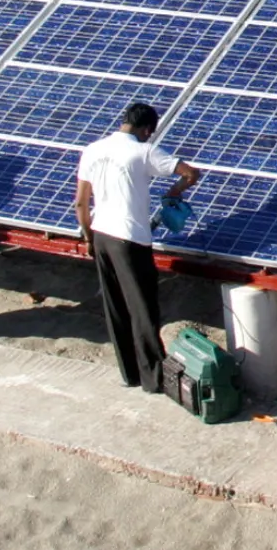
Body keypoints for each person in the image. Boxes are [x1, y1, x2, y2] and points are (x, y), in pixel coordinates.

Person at [74, 102, 201, 393]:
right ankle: (153, 378)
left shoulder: (92, 149)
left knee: (115, 306)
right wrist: (174, 192)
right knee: (143, 308)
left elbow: (81, 203)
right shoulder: (143, 152)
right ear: (146, 130)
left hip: (101, 234)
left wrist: (88, 237)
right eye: (150, 133)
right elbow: (191, 173)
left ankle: (129, 373)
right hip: (130, 239)